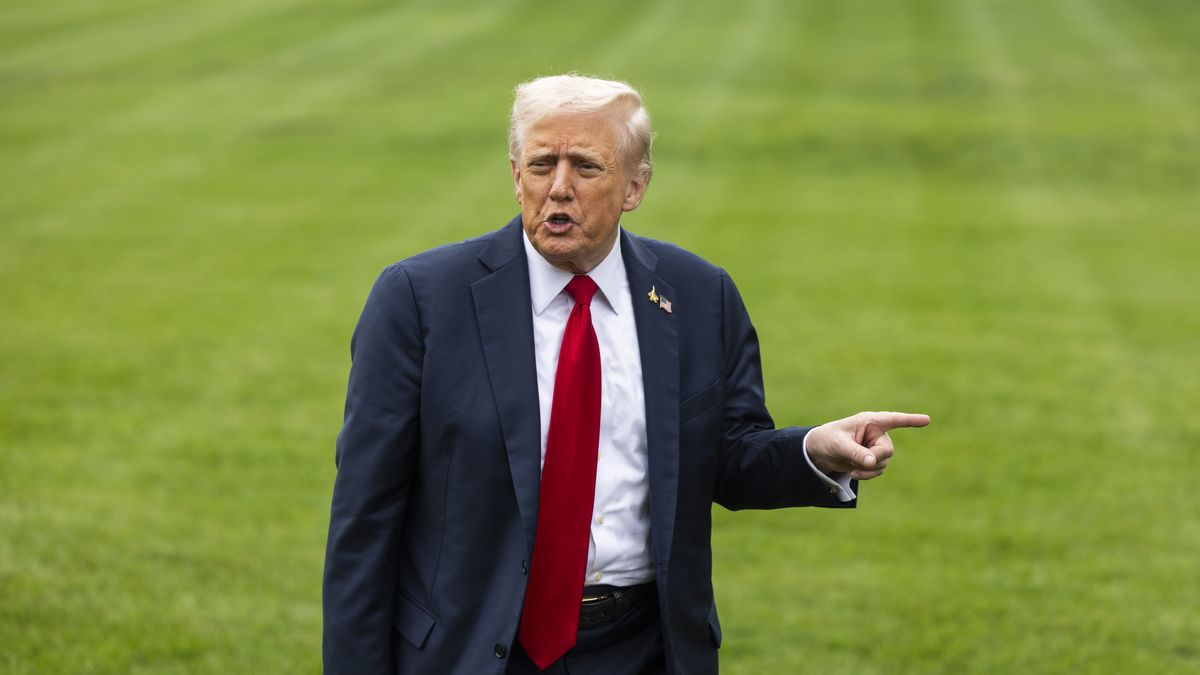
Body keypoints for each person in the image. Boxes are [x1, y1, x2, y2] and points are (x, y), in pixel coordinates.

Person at [322, 73, 929, 675]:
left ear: (635, 186)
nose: (559, 188)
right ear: (514, 176)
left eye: (585, 167)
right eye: (540, 165)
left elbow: (724, 456)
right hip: (474, 647)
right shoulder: (420, 300)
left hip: (643, 648)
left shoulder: (699, 296)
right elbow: (365, 518)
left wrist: (813, 453)